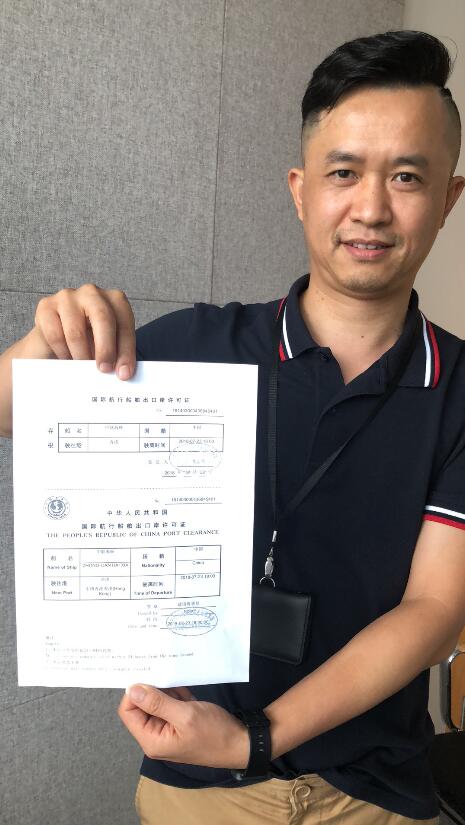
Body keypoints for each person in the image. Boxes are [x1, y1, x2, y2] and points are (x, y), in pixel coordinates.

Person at [1, 28, 465, 825]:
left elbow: (432, 609)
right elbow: (13, 411)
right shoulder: (197, 347)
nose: (370, 208)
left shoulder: (457, 388)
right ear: (299, 189)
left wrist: (255, 737)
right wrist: (45, 343)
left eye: (406, 177)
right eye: (343, 172)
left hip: (376, 790)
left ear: (448, 199)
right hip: (195, 788)